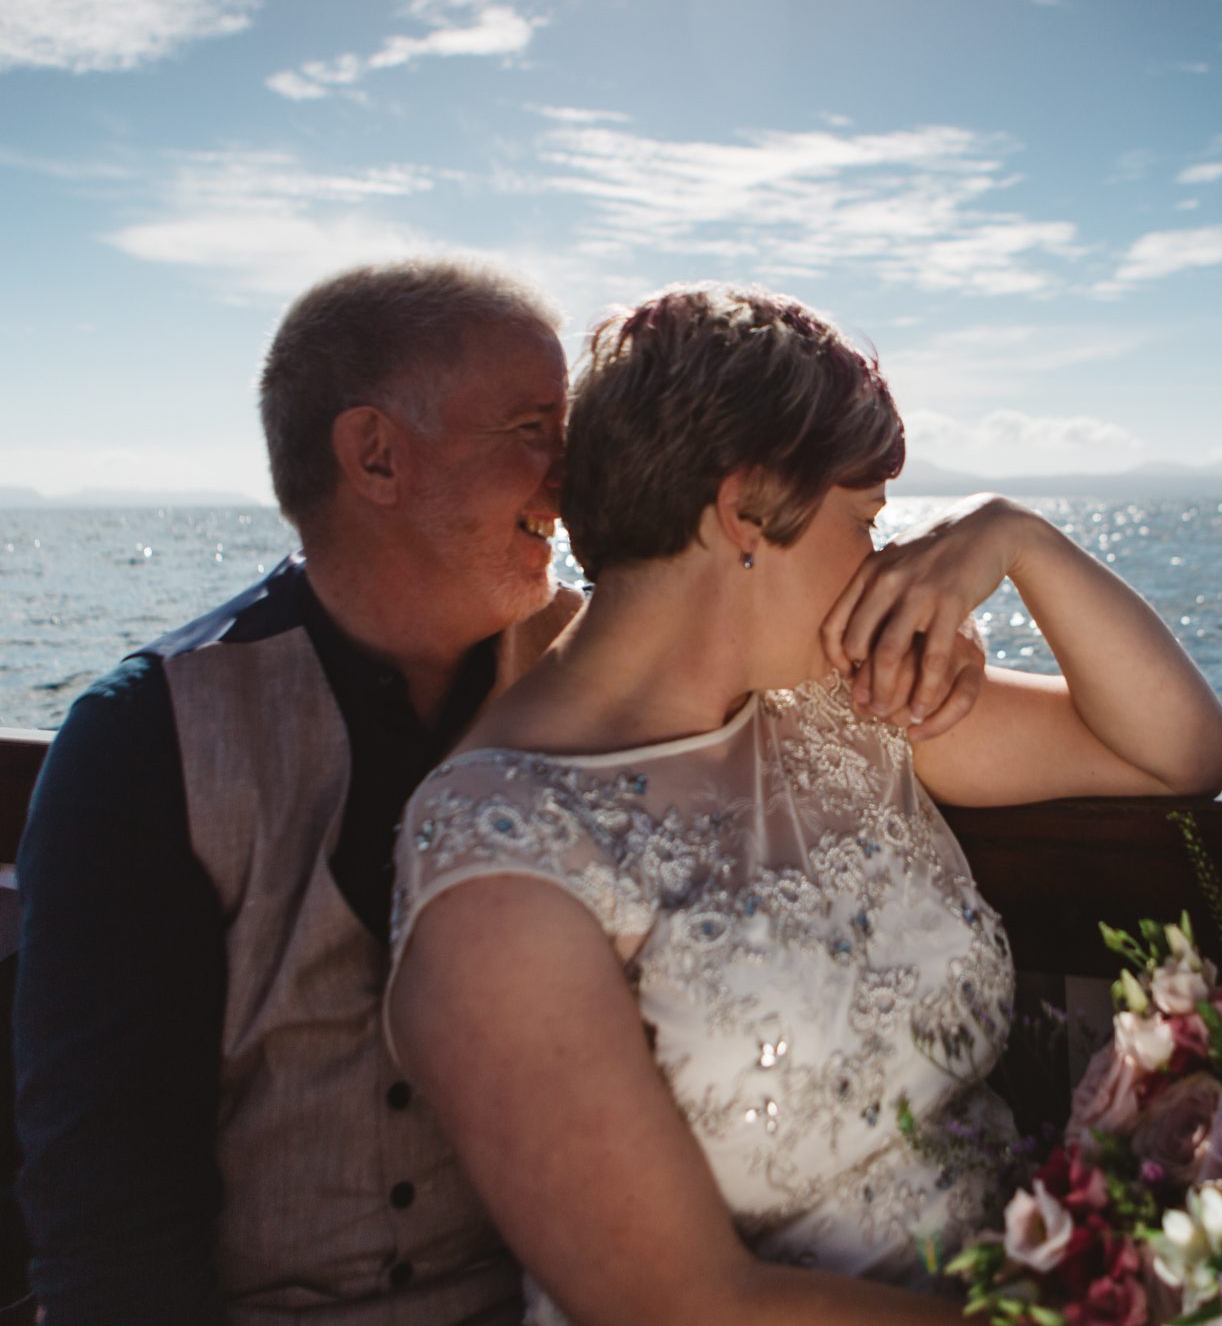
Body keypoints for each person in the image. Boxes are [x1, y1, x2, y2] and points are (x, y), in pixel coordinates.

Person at [8, 260, 988, 1324]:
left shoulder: (617, 678)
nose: (570, 478)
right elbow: (107, 1230)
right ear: (376, 456)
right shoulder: (147, 743)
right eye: (532, 429)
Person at [386, 284, 1222, 1324]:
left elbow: (1179, 753)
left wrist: (1015, 540)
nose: (884, 560)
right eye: (865, 519)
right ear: (745, 507)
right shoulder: (503, 850)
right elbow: (681, 1302)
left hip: (1039, 1272)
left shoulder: (847, 704)